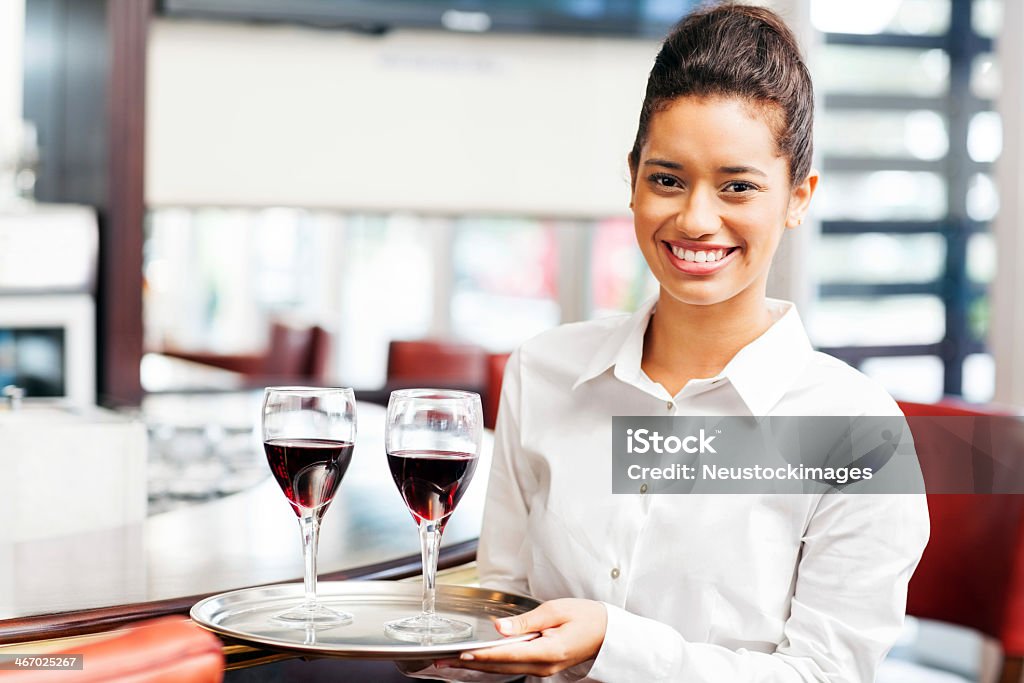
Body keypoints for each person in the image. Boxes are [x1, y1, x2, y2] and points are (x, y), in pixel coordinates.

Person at [419, 3, 930, 681]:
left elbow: (824, 675)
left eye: (738, 187)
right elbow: (499, 620)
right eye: (667, 179)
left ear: (798, 197)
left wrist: (613, 644)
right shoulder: (543, 371)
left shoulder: (860, 435)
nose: (695, 218)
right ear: (632, 178)